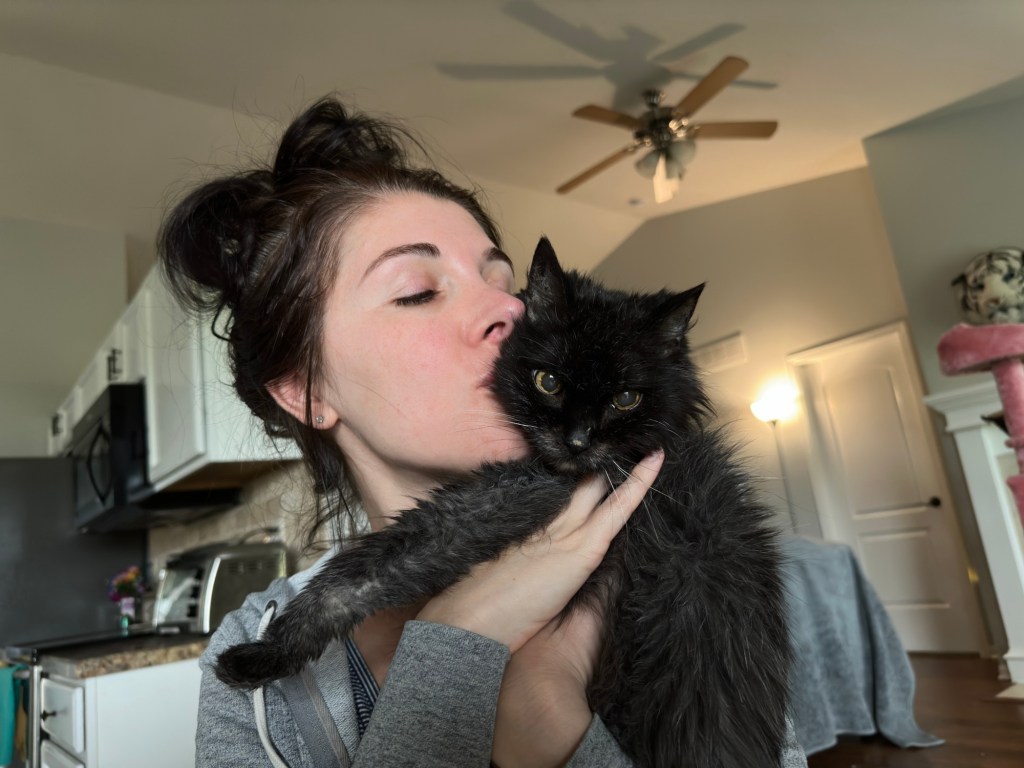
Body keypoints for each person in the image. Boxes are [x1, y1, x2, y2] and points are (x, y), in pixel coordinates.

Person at [159, 96, 807, 767]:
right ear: (307, 390)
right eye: (417, 291)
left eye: (505, 282)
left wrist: (548, 718)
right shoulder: (249, 673)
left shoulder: (711, 542)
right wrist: (454, 648)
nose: (507, 307)